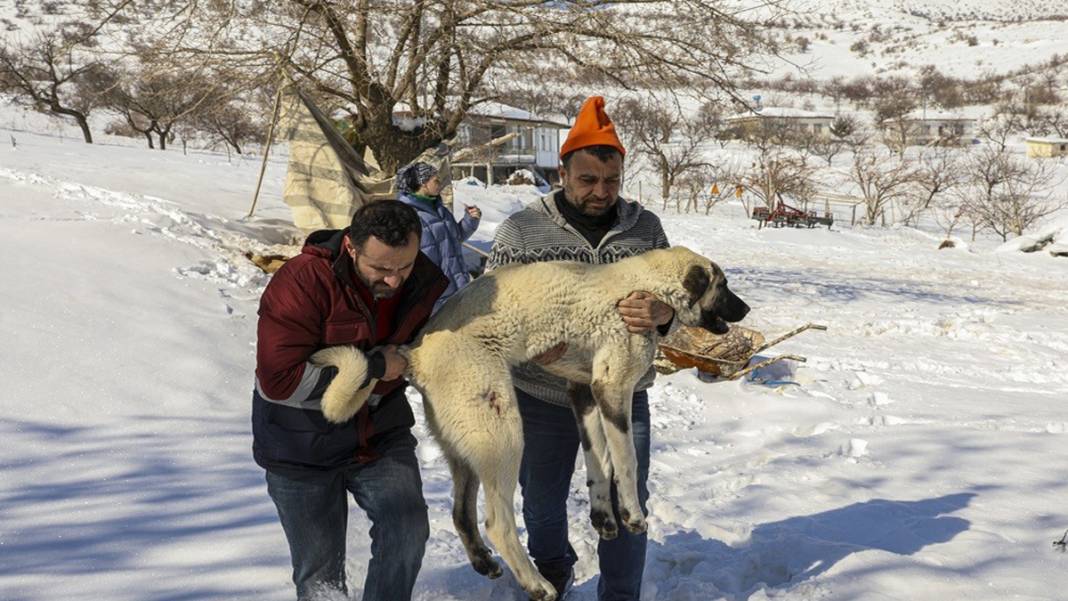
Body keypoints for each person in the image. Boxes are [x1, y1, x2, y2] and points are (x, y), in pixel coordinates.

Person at [486, 96, 675, 601]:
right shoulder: (524, 229)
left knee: (627, 496)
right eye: (588, 180)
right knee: (543, 502)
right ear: (563, 173)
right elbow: (491, 306)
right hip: (542, 394)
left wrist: (663, 315)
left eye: (611, 181)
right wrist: (527, 347)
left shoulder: (645, 228)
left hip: (621, 393)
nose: (600, 192)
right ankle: (554, 569)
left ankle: (620, 593)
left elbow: (675, 300)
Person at [252, 200, 448, 601]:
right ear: (352, 249)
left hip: (379, 432)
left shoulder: (425, 280)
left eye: (404, 267)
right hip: (299, 443)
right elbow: (280, 380)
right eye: (381, 269)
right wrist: (374, 366)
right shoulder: (302, 281)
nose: (395, 281)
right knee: (319, 575)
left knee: (407, 530)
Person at [396, 161, 481, 312]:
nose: (440, 184)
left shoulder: (440, 209)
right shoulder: (407, 216)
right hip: (434, 296)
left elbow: (456, 237)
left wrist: (471, 219)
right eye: (436, 180)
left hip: (458, 287)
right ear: (422, 183)